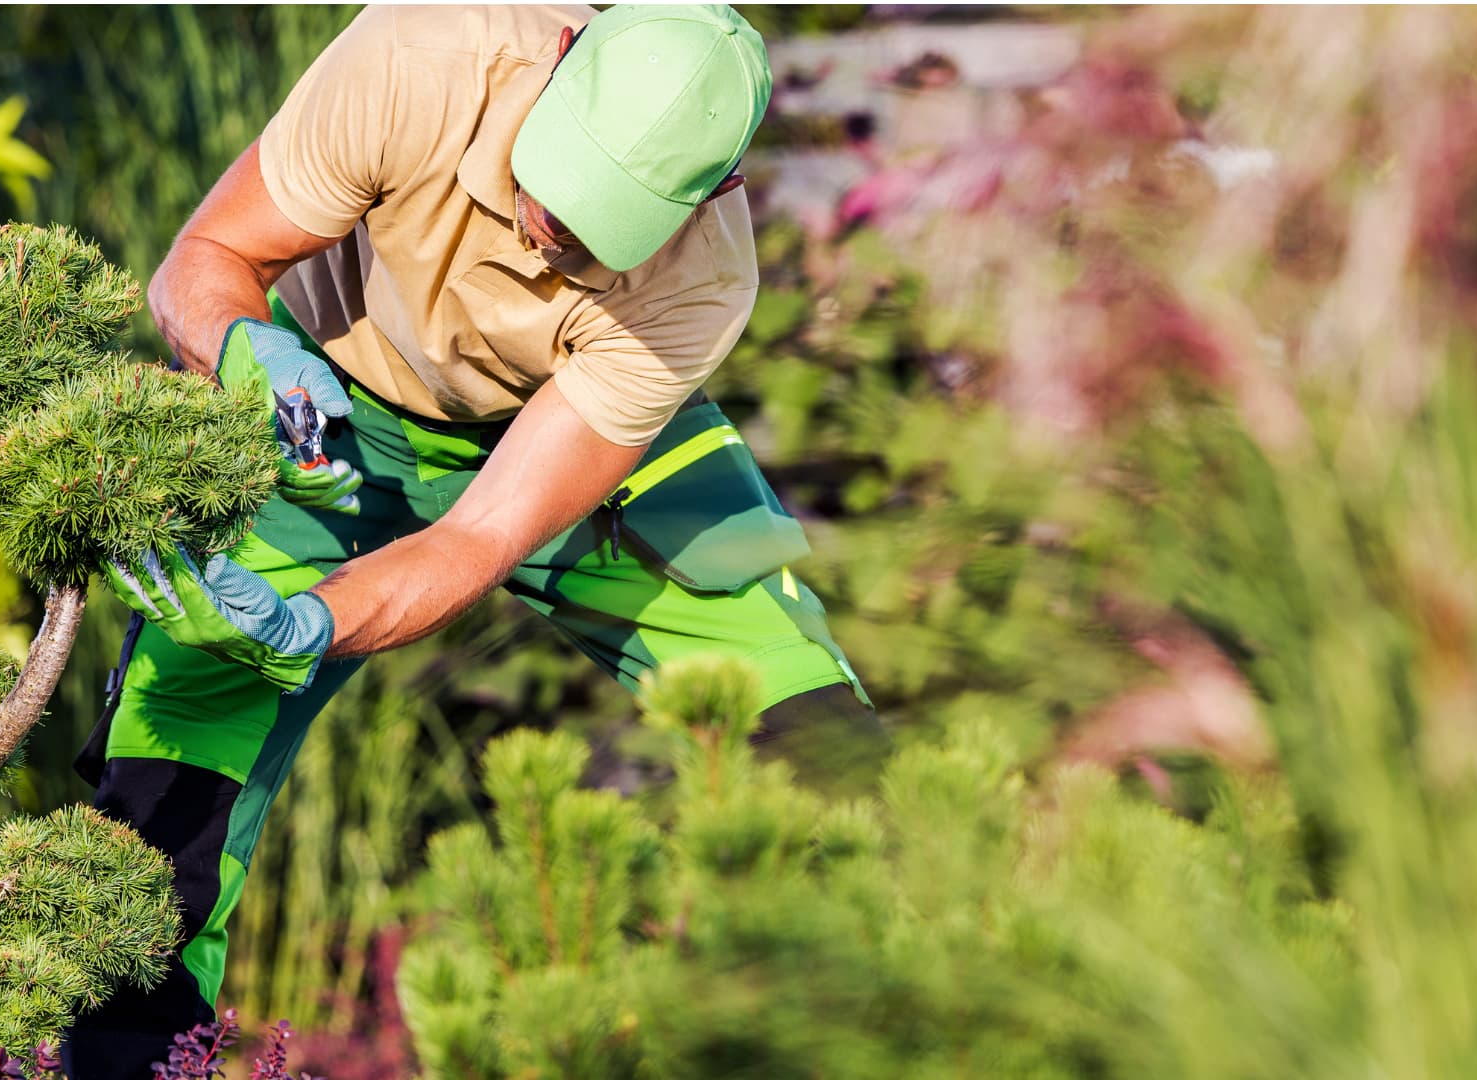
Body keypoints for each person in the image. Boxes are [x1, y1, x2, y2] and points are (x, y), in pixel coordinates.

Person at [64, 5, 883, 1073]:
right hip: (318, 408)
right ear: (561, 56)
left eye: (604, 221)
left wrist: (314, 624)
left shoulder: (700, 286)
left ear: (716, 190)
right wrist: (244, 349)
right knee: (161, 792)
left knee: (826, 752)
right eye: (561, 183)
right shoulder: (422, 53)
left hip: (561, 442)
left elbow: (482, 535)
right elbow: (207, 256)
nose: (553, 232)